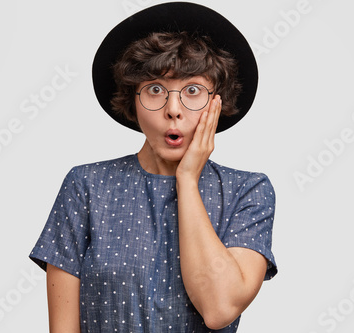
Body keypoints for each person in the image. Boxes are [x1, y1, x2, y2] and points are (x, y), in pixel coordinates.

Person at [29, 2, 277, 332]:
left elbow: (219, 309)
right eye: (155, 89)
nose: (173, 109)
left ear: (217, 103)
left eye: (192, 90)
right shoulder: (86, 186)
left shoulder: (248, 191)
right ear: (133, 99)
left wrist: (187, 179)